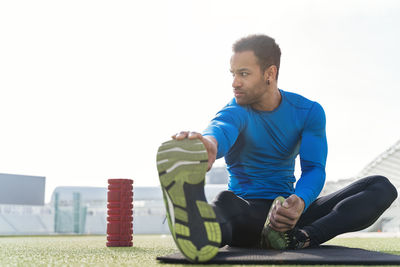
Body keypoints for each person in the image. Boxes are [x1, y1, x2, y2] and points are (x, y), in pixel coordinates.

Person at [156, 34, 398, 263]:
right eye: (232, 74)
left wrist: (300, 201)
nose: (234, 82)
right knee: (227, 204)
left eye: (243, 73)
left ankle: (302, 238)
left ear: (269, 73)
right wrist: (207, 146)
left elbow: (314, 168)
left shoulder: (308, 112)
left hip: (290, 215)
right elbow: (219, 129)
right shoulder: (235, 111)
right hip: (246, 210)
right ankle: (199, 226)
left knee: (381, 187)